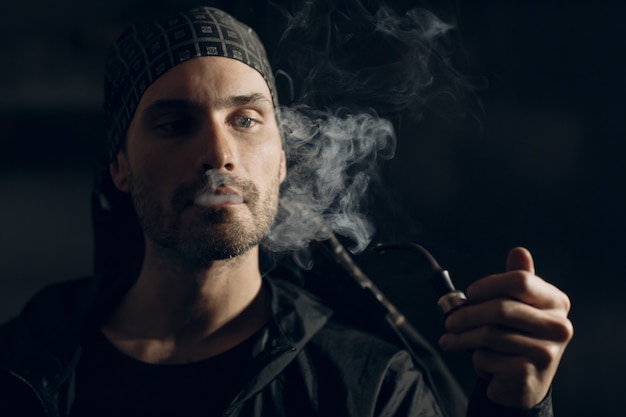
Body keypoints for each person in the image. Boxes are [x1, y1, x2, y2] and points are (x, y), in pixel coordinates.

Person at [0, 6, 572, 417]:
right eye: (175, 124)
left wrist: (518, 408)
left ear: (281, 162)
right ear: (120, 167)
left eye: (246, 120)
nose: (219, 155)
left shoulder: (368, 387)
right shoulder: (23, 365)